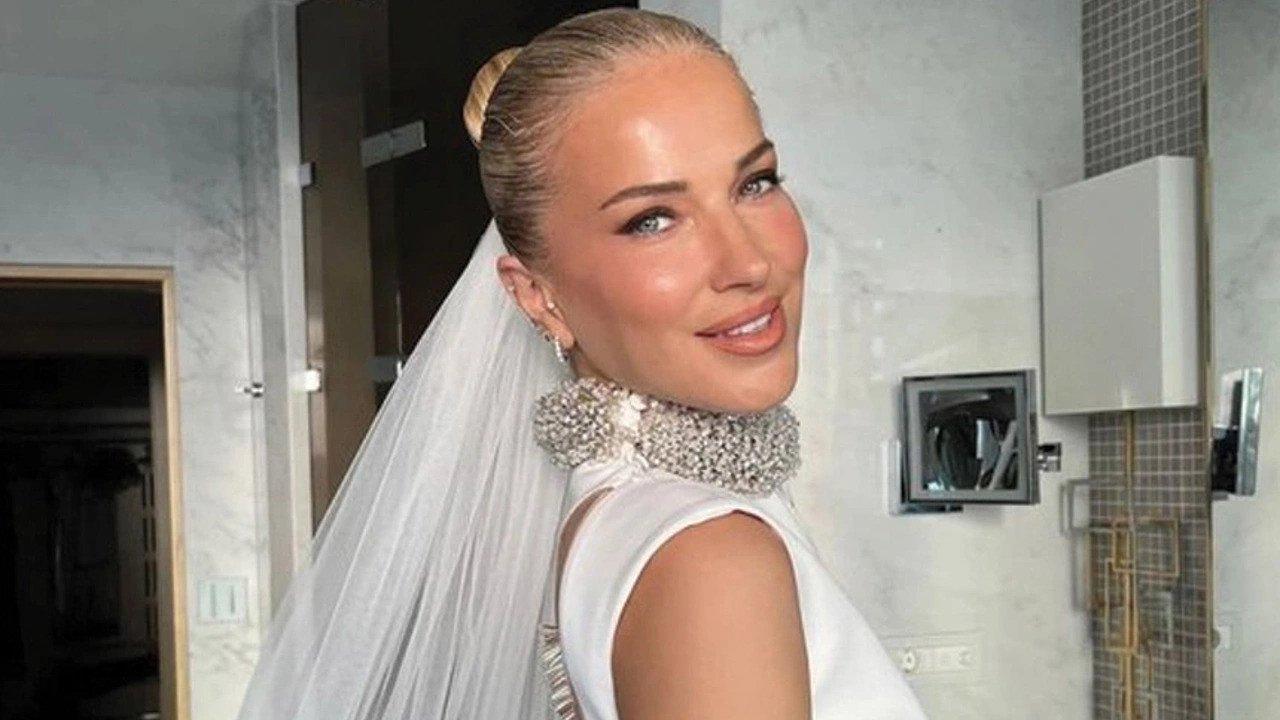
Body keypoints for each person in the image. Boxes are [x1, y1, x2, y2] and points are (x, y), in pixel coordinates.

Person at [236, 8, 927, 720]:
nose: (748, 262)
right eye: (652, 219)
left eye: (755, 182)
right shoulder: (710, 557)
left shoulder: (635, 514)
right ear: (538, 297)